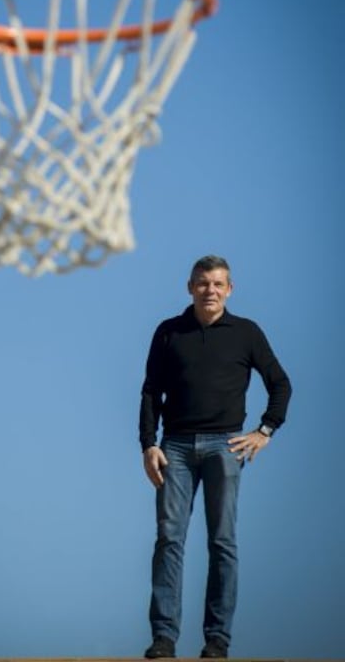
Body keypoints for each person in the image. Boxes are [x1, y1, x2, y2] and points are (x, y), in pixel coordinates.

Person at [139, 255, 292, 659]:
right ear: (190, 287)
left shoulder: (246, 333)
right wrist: (148, 444)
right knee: (169, 539)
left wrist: (265, 430)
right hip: (173, 447)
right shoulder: (169, 332)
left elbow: (280, 383)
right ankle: (164, 638)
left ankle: (217, 640)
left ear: (230, 289)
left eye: (218, 284)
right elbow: (151, 391)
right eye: (203, 283)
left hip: (225, 446)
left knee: (222, 541)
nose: (210, 290)